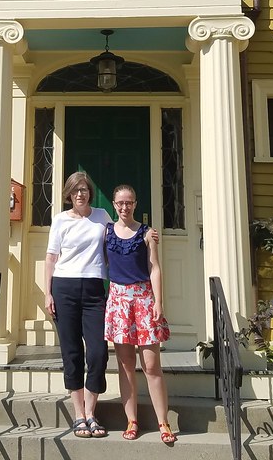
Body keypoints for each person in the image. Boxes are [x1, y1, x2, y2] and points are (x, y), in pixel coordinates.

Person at [103, 184, 175, 445]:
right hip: (119, 300)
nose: (125, 207)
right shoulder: (106, 232)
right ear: (113, 203)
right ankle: (131, 420)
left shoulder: (146, 234)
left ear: (135, 204)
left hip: (144, 300)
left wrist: (159, 302)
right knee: (125, 365)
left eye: (129, 202)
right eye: (120, 202)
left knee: (151, 365)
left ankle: (163, 422)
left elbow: (155, 268)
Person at [45, 171, 112, 438]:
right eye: (75, 190)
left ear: (89, 192)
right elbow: (51, 258)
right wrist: (47, 294)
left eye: (83, 189)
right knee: (72, 353)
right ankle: (80, 415)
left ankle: (92, 412)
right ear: (69, 194)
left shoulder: (102, 217)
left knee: (98, 353)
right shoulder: (60, 220)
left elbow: (116, 246)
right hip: (65, 289)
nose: (80, 194)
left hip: (95, 289)